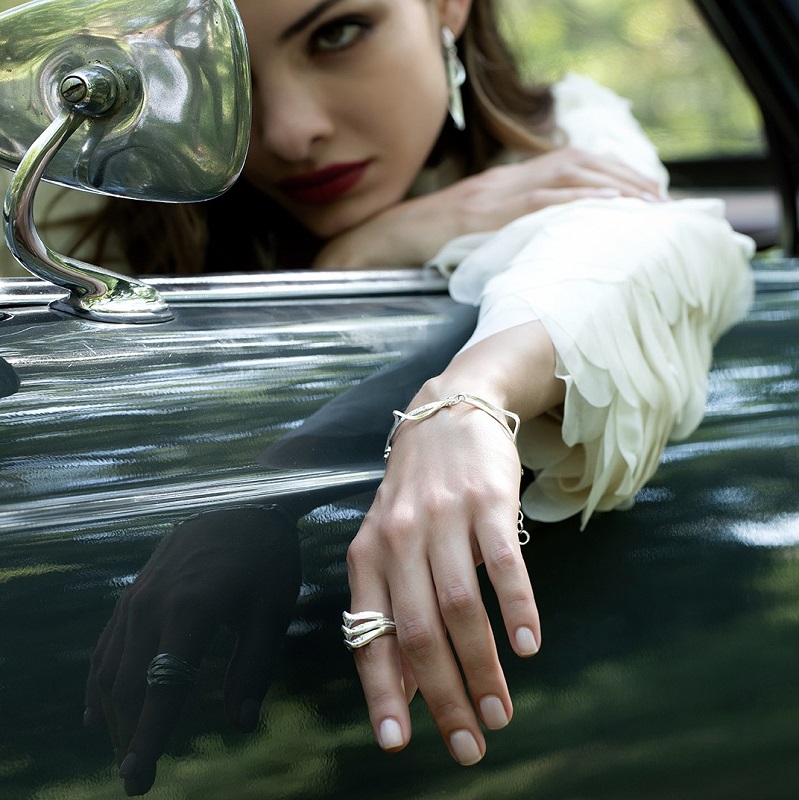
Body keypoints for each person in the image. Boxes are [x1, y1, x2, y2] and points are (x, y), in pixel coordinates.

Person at [36, 0, 752, 794]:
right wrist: (359, 257)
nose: (289, 132)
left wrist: (466, 398)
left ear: (447, 8)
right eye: (218, 73)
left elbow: (631, 245)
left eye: (336, 33)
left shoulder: (568, 138)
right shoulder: (78, 200)